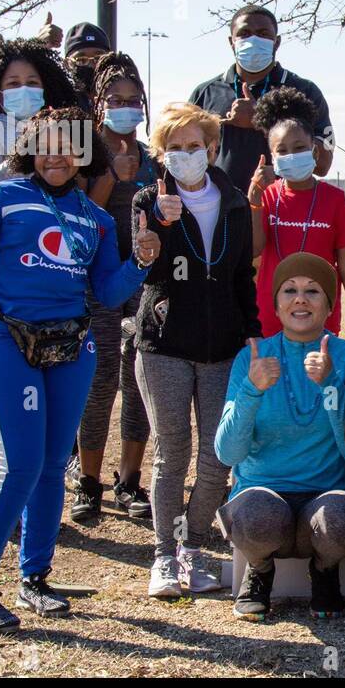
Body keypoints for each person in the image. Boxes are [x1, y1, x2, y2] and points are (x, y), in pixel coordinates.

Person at [0, 107, 159, 633]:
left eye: (68, 145)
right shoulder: (7, 197)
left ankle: (34, 578)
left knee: (54, 462)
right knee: (17, 465)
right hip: (6, 339)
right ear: (30, 149)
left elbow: (107, 292)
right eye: (45, 144)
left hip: (70, 348)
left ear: (84, 153)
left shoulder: (98, 220)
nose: (56, 154)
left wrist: (142, 262)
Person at [131, 103, 261, 597]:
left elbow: (242, 277)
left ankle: (193, 547)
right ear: (161, 154)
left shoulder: (232, 201)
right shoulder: (150, 199)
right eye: (175, 148)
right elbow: (150, 270)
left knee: (215, 456)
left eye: (195, 145)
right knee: (172, 452)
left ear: (211, 147)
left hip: (222, 347)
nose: (186, 155)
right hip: (163, 345)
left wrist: (251, 330)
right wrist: (158, 230)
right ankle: (164, 557)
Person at [214, 254, 345, 620]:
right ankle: (259, 571)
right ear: (276, 303)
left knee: (342, 520)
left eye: (313, 291)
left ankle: (326, 572)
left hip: (325, 496)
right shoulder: (252, 356)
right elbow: (227, 451)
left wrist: (331, 385)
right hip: (263, 495)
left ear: (330, 305)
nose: (300, 299)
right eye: (290, 290)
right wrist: (252, 390)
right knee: (256, 515)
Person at [0, 37, 79, 490]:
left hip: (40, 267)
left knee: (38, 387)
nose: (24, 90)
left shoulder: (60, 134)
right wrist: (27, 146)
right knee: (5, 387)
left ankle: (32, 491)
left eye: (33, 82)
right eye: (13, 83)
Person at [69, 52, 157, 523]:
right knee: (98, 382)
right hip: (96, 284)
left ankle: (129, 480)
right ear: (99, 104)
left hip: (142, 285)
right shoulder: (83, 156)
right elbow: (77, 222)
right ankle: (88, 481)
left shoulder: (153, 160)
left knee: (138, 380)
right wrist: (110, 180)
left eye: (133, 100)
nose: (126, 108)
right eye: (115, 100)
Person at [247, 87, 345, 348]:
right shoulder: (266, 197)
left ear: (314, 151)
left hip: (319, 316)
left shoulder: (335, 200)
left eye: (299, 147)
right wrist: (254, 202)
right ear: (271, 157)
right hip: (270, 318)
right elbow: (255, 249)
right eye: (282, 150)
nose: (291, 155)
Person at [189, 5, 333, 193]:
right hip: (222, 210)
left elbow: (323, 164)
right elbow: (184, 155)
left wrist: (261, 122)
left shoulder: (305, 92)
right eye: (244, 33)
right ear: (231, 42)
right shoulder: (205, 93)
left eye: (263, 34)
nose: (254, 39)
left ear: (277, 42)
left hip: (284, 209)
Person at [36, 14, 112, 109]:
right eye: (81, 60)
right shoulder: (61, 101)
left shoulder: (124, 97)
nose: (91, 65)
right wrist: (38, 50)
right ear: (67, 64)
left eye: (98, 58)